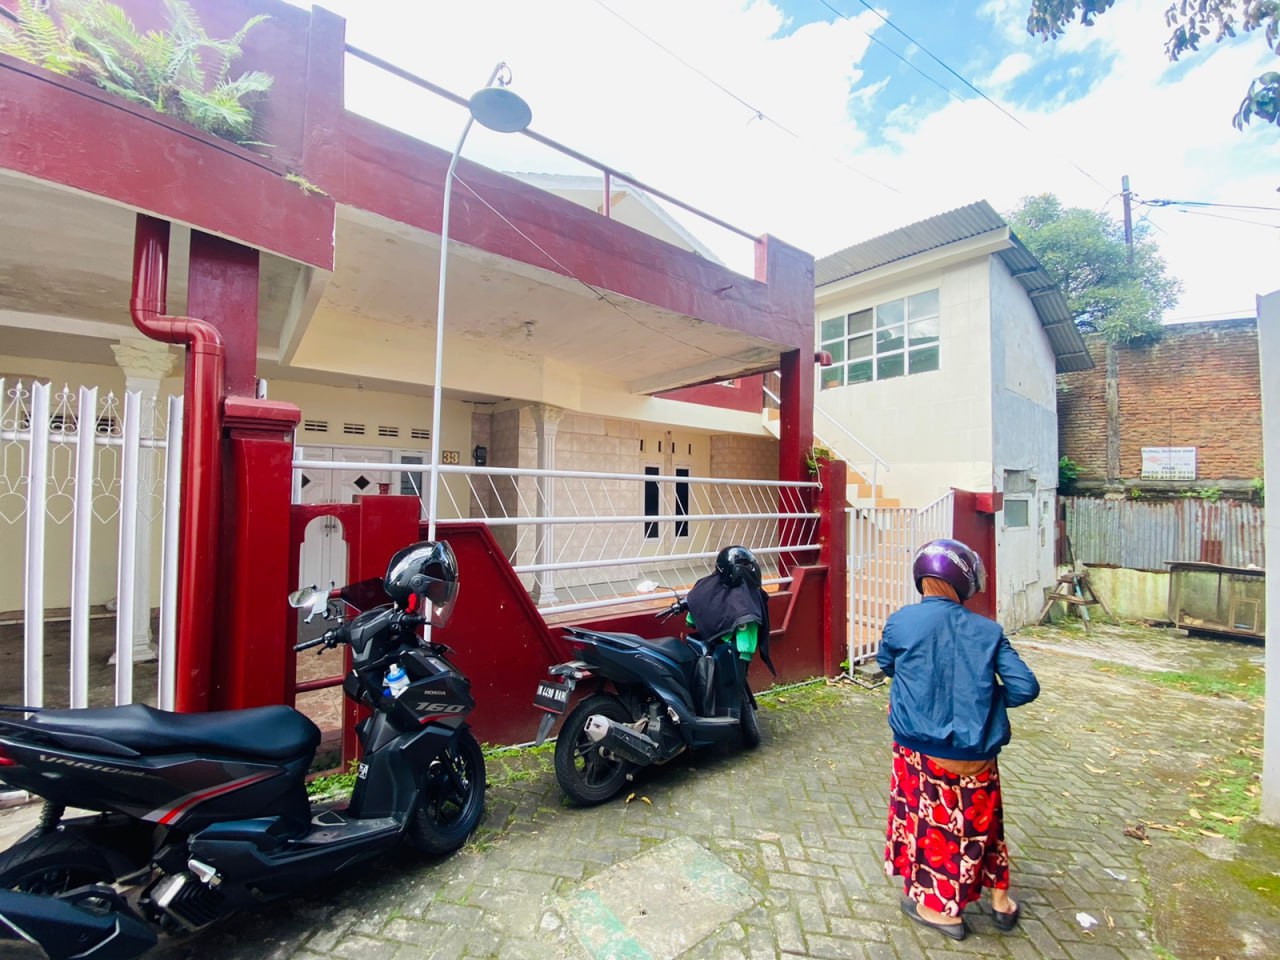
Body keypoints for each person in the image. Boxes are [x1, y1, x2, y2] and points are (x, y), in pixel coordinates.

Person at [877, 538, 1039, 941]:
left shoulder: (901, 622)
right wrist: (981, 697)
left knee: (933, 830)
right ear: (963, 582)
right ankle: (1000, 900)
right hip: (978, 756)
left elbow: (887, 665)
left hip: (921, 755)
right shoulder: (988, 631)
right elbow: (1024, 687)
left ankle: (941, 912)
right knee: (984, 825)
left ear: (922, 577)